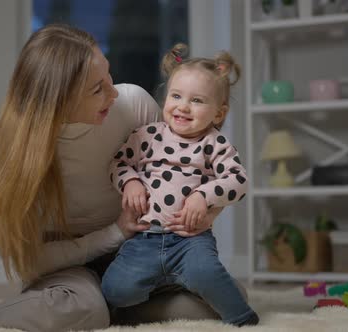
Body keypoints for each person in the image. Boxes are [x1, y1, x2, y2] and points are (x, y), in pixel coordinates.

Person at [0, 24, 246, 332]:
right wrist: (115, 232)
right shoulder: (26, 158)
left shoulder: (133, 104)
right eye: (97, 89)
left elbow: (183, 173)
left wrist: (205, 213)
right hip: (73, 266)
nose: (113, 92)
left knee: (225, 296)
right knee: (81, 306)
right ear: (59, 103)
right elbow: (34, 263)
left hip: (138, 253)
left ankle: (107, 306)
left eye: (108, 75)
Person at [101, 43, 259, 327]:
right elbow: (117, 164)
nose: (183, 106)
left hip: (191, 241)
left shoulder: (215, 144)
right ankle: (166, 287)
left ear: (219, 113)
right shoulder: (146, 135)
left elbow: (238, 181)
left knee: (210, 277)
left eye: (197, 101)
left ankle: (244, 319)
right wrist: (132, 182)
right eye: (176, 96)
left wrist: (203, 195)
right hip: (144, 239)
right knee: (114, 290)